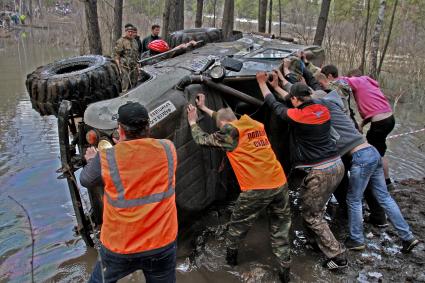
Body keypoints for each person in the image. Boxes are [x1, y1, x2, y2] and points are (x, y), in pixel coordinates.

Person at [187, 94, 291, 282]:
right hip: (279, 182)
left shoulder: (230, 132)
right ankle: (285, 271)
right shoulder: (252, 123)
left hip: (257, 188)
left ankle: (230, 263)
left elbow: (201, 140)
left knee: (237, 227)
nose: (221, 130)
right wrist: (204, 108)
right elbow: (225, 118)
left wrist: (193, 122)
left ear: (225, 124)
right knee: (280, 228)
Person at [308, 89, 419, 253]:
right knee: (384, 197)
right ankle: (408, 237)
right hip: (372, 152)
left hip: (361, 158)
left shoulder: (326, 113)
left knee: (353, 199)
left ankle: (357, 239)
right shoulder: (342, 114)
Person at [80, 102, 178, 283]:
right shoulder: (168, 148)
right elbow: (143, 163)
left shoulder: (107, 157)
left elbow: (86, 179)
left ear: (121, 130)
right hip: (162, 244)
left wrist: (93, 159)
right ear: (148, 126)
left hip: (120, 247)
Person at [257, 73, 347, 270]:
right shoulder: (321, 108)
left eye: (293, 98)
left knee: (311, 214)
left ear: (296, 100)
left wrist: (263, 85)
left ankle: (338, 256)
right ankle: (315, 243)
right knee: (314, 206)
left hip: (321, 172)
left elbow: (274, 105)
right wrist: (278, 87)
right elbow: (292, 100)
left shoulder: (298, 116)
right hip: (337, 166)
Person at [322, 65, 395, 190]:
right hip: (389, 119)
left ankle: (375, 181)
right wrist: (361, 125)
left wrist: (327, 81)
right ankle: (387, 181)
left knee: (374, 152)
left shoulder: (358, 80)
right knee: (380, 150)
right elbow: (374, 111)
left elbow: (342, 81)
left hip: (380, 122)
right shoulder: (369, 83)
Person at [113, 24, 140, 92]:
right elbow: (116, 56)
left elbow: (136, 55)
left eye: (131, 31)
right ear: (126, 32)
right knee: (125, 87)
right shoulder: (121, 41)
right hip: (124, 68)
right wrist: (119, 68)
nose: (130, 33)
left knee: (134, 86)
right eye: (128, 31)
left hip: (133, 68)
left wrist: (138, 66)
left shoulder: (135, 41)